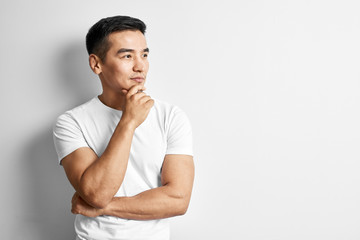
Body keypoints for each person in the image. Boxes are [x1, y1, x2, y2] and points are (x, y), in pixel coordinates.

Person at [53, 15, 194, 240]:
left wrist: (103, 208)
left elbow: (178, 200)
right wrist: (128, 122)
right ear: (96, 64)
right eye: (127, 55)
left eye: (144, 55)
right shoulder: (71, 123)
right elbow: (97, 193)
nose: (140, 66)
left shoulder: (171, 117)